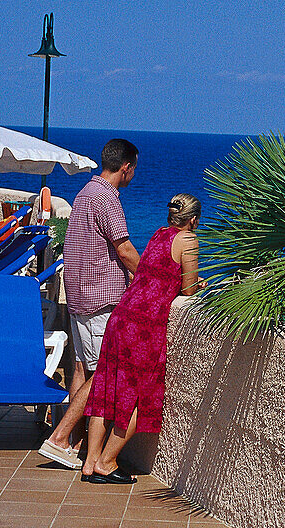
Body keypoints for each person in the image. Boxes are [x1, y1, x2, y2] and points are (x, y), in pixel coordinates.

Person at [80, 194, 202, 484]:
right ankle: (107, 462)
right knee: (138, 397)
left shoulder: (159, 234)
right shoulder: (188, 241)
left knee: (105, 389)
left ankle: (89, 462)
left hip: (122, 316)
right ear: (194, 219)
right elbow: (188, 289)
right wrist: (200, 283)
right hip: (145, 325)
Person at [38, 138, 140, 469]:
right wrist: (152, 279)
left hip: (79, 298)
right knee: (104, 372)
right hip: (102, 301)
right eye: (133, 168)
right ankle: (60, 438)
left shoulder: (84, 194)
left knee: (82, 369)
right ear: (126, 167)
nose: (133, 174)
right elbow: (124, 249)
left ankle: (73, 441)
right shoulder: (107, 200)